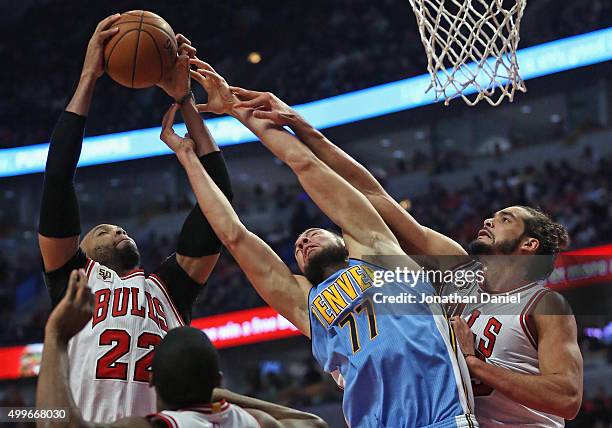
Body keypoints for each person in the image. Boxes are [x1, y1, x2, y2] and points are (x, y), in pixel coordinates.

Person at [223, 89, 584, 426]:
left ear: (529, 246)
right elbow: (371, 195)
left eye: (507, 220)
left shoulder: (543, 304)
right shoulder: (458, 268)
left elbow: (567, 398)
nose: (490, 219)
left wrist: (475, 365)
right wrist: (305, 130)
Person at [156, 62, 478, 428]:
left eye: (313, 232)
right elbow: (233, 233)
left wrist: (235, 108)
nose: (304, 239)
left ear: (344, 238)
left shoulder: (379, 252)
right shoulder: (305, 302)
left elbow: (305, 164)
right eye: (297, 245)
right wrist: (186, 156)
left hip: (444, 420)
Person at [37, 17, 232, 422]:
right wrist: (89, 76)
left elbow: (219, 204)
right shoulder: (71, 276)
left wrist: (186, 102)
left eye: (116, 227)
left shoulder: (169, 287)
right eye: (102, 230)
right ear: (81, 250)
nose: (116, 229)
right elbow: (57, 179)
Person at [36, 269, 328, 428]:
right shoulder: (254, 422)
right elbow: (313, 423)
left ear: (152, 381)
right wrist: (218, 395)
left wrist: (55, 336)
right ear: (219, 379)